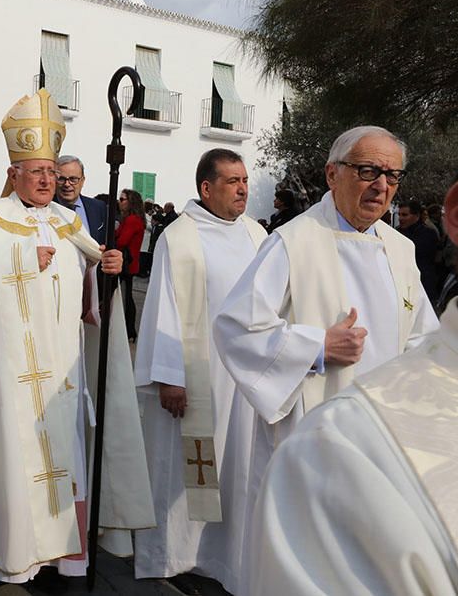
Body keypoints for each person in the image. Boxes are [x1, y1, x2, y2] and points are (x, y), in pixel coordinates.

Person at [213, 126, 439, 592]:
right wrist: (316, 347)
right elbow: (236, 326)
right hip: (308, 437)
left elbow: (423, 339)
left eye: (393, 175)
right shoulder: (293, 241)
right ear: (332, 174)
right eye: (369, 170)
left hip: (379, 441)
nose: (381, 185)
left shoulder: (401, 249)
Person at [0, 88, 153, 583]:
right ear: (13, 173)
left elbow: (92, 293)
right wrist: (19, 260)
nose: (47, 179)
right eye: (36, 170)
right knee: (14, 457)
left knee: (65, 458)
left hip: (62, 371)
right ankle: (11, 553)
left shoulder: (68, 222)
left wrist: (108, 267)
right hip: (10, 374)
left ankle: (64, 554)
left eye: (52, 171)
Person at [132, 149, 268, 593]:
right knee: (192, 469)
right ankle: (180, 555)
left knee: (237, 468)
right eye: (232, 181)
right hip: (197, 380)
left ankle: (227, 555)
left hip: (244, 379)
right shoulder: (181, 237)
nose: (243, 188)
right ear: (206, 188)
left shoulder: (256, 233)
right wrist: (171, 376)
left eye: (245, 179)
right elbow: (164, 307)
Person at [55, 155, 107, 242]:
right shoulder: (45, 208)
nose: (67, 184)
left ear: (82, 181)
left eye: (73, 179)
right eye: (61, 179)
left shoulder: (98, 207)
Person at [116, 188, 145, 341]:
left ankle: (129, 330)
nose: (119, 203)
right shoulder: (133, 219)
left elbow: (121, 241)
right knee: (127, 297)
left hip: (127, 264)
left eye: (122, 200)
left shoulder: (131, 220)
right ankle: (129, 330)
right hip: (130, 263)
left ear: (130, 202)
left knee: (126, 298)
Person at [398, 198, 440, 299]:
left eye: (404, 215)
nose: (400, 218)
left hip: (423, 284)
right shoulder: (397, 232)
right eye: (399, 214)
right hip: (402, 283)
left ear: (416, 216)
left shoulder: (428, 234)